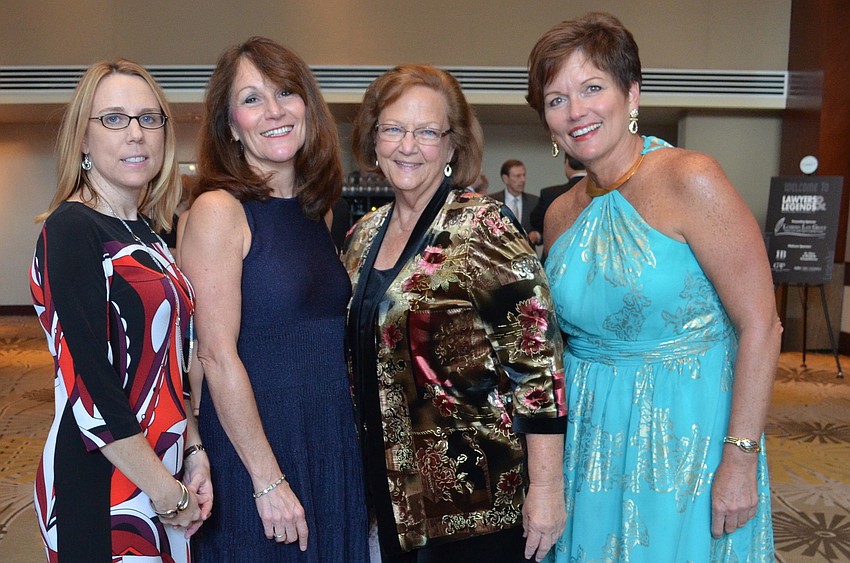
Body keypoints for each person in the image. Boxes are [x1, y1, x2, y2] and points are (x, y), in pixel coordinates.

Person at [526, 12, 780, 562]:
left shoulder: (691, 178)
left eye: (593, 88)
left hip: (687, 437)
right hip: (591, 440)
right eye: (556, 99)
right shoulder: (560, 214)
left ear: (631, 93)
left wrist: (739, 458)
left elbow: (760, 322)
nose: (576, 112)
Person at [343, 64, 567, 563]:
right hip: (394, 496)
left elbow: (539, 365)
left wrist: (547, 489)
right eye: (394, 129)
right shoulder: (362, 237)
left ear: (452, 146)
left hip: (477, 503)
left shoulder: (482, 226)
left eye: (427, 132)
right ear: (373, 139)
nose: (407, 145)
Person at [178, 37, 369, 561]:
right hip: (257, 451)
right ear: (230, 125)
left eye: (285, 91)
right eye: (251, 99)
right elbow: (214, 355)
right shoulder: (219, 210)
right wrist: (266, 480)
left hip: (328, 440)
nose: (274, 111)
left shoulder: (318, 213)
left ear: (308, 104)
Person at [30, 58, 212, 562]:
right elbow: (91, 387)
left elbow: (170, 368)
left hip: (160, 471)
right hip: (104, 478)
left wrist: (192, 452)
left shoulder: (149, 234)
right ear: (83, 140)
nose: (135, 134)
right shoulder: (71, 230)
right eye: (113, 118)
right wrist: (164, 490)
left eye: (148, 118)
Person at [528, 155, 585, 240]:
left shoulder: (550, 194)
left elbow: (536, 222)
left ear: (566, 162)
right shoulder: (603, 193)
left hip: (556, 249)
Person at [490, 160, 542, 246]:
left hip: (528, 254)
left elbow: (544, 232)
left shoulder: (534, 202)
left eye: (524, 175)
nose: (523, 180)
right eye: (518, 176)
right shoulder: (493, 201)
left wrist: (536, 235)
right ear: (505, 179)